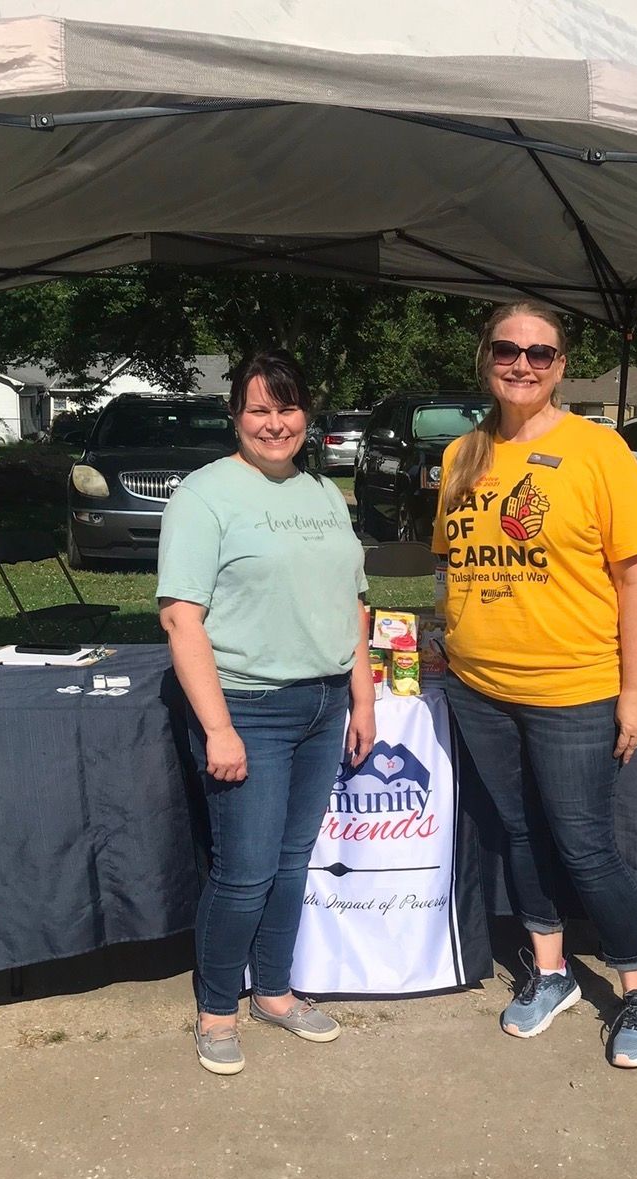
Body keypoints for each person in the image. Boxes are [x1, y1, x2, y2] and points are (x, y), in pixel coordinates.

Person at [432, 301, 637, 1068]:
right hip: (478, 685)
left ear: (561, 367)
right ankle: (550, 972)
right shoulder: (461, 455)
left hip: (572, 686)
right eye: (507, 349)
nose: (522, 365)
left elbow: (636, 581)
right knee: (517, 831)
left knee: (582, 845)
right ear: (485, 357)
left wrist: (632, 692)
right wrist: (447, 638)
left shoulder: (599, 452)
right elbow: (454, 559)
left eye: (540, 354)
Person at [157, 348, 375, 1076]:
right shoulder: (204, 495)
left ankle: (274, 993)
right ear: (235, 416)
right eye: (258, 408)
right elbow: (182, 619)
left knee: (289, 864)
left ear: (305, 416)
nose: (274, 423)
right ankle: (218, 1009)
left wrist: (361, 696)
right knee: (245, 870)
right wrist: (218, 727)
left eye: (286, 408)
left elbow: (354, 603)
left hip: (321, 702)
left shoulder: (322, 494)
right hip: (246, 705)